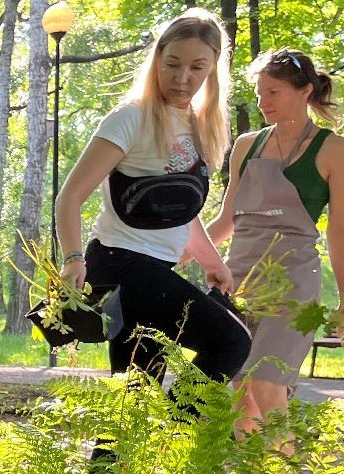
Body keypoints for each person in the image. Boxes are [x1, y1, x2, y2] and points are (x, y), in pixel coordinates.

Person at [55, 8, 250, 388]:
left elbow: (180, 212)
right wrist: (72, 260)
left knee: (135, 394)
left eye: (197, 67)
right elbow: (70, 197)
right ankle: (176, 436)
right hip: (120, 264)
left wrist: (213, 262)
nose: (182, 78)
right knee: (230, 342)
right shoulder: (130, 118)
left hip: (156, 269)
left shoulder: (198, 124)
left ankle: (136, 447)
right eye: (173, 63)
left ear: (212, 70)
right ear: (157, 59)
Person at [207, 49, 344, 430]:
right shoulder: (246, 145)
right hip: (239, 279)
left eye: (273, 92)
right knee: (241, 390)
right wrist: (176, 253)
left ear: (305, 91)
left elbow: (339, 228)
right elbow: (227, 218)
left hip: (293, 281)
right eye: (259, 93)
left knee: (267, 383)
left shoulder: (336, 150)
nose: (262, 102)